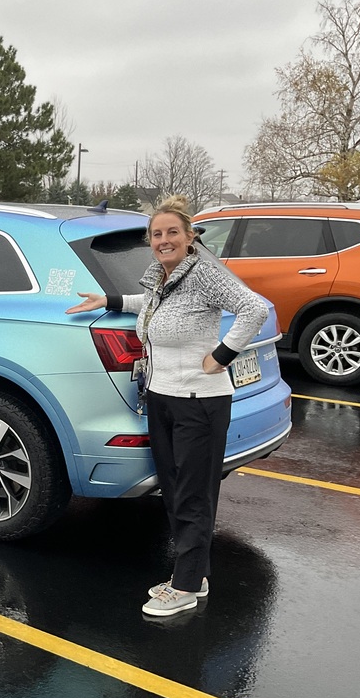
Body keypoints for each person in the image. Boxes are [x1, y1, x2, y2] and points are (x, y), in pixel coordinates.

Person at [65, 194, 268, 617]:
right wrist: (110, 302)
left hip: (200, 402)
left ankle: (186, 586)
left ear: (189, 235)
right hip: (161, 397)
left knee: (194, 494)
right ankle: (196, 575)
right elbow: (154, 307)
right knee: (174, 492)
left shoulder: (205, 274)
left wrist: (222, 356)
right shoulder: (159, 274)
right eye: (157, 234)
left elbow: (253, 308)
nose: (164, 240)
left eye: (172, 232)